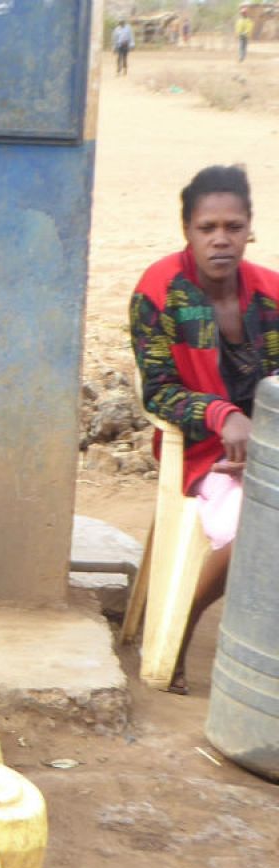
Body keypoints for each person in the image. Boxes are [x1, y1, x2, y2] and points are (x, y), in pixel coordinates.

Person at [130, 165, 279, 695]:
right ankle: (180, 624)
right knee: (261, 529)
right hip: (201, 450)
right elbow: (159, 392)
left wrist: (264, 438)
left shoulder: (269, 294)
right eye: (207, 227)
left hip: (269, 448)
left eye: (233, 227)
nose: (221, 239)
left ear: (249, 228)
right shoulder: (160, 292)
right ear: (187, 230)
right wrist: (222, 415)